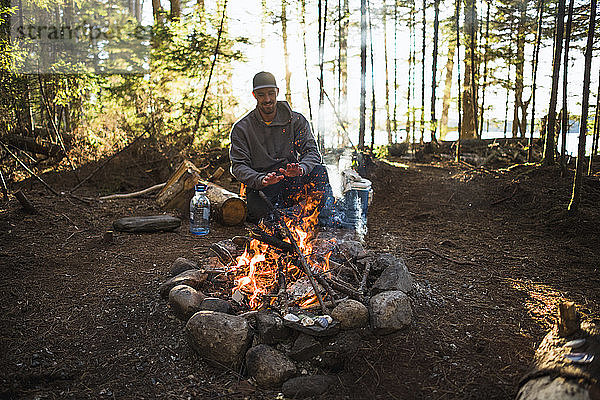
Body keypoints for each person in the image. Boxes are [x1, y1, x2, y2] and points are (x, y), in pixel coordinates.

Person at [229, 71, 333, 224]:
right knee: (265, 220)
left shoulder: (296, 120)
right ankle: (287, 217)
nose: (268, 99)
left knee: (319, 171)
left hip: (292, 180)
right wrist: (261, 179)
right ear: (254, 95)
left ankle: (319, 219)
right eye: (261, 95)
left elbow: (312, 152)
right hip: (263, 186)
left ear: (277, 92)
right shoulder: (242, 128)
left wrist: (301, 168)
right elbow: (238, 166)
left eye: (271, 93)